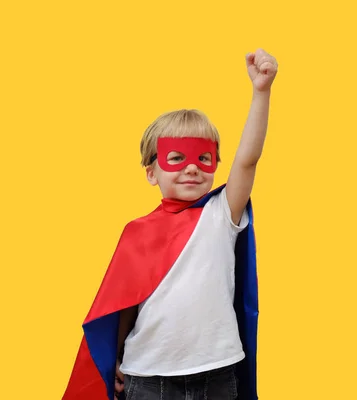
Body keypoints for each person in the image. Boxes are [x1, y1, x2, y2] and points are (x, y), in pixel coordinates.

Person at [62, 48, 278, 400]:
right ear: (151, 172)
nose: (191, 167)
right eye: (176, 158)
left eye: (203, 158)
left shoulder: (222, 213)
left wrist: (261, 92)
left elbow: (248, 161)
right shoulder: (137, 232)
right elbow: (122, 304)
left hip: (218, 372)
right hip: (148, 376)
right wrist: (111, 361)